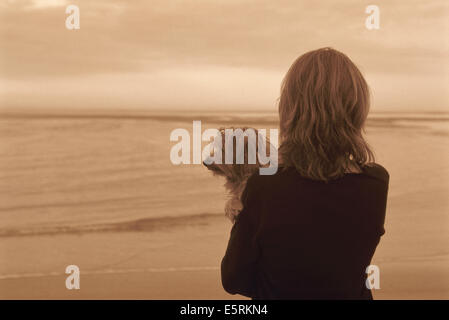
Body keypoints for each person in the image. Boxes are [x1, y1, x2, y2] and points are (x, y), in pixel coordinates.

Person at [221, 47, 389, 299]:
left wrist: (240, 210)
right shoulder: (376, 182)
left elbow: (233, 280)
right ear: (357, 109)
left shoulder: (264, 186)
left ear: (290, 109)